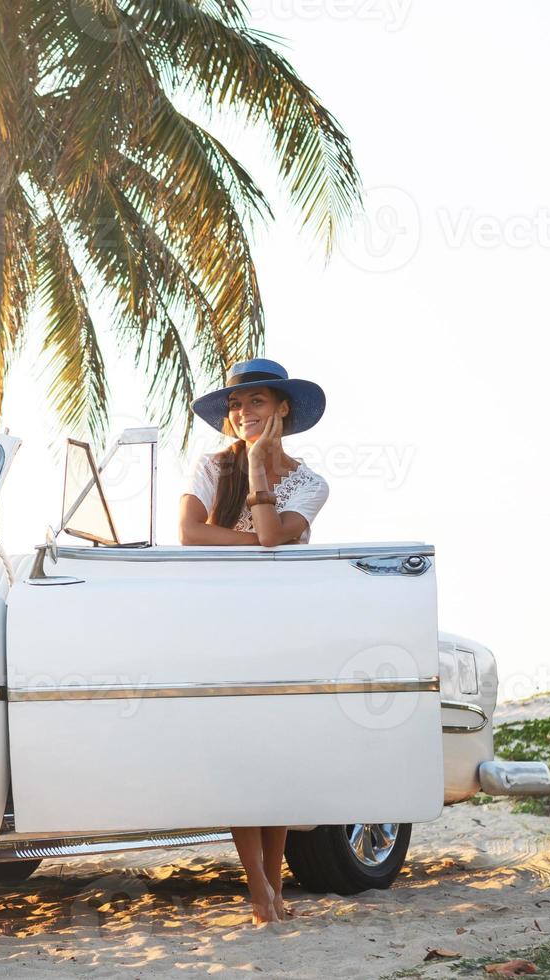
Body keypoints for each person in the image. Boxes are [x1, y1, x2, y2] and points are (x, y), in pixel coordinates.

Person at [177, 357, 329, 925]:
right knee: (242, 754)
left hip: (285, 627)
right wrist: (247, 496)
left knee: (278, 756)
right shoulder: (211, 467)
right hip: (221, 623)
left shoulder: (311, 484)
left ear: (282, 408)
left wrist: (261, 469)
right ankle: (259, 886)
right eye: (236, 405)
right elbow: (188, 534)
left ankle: (275, 881)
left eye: (256, 403)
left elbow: (268, 537)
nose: (243, 413)